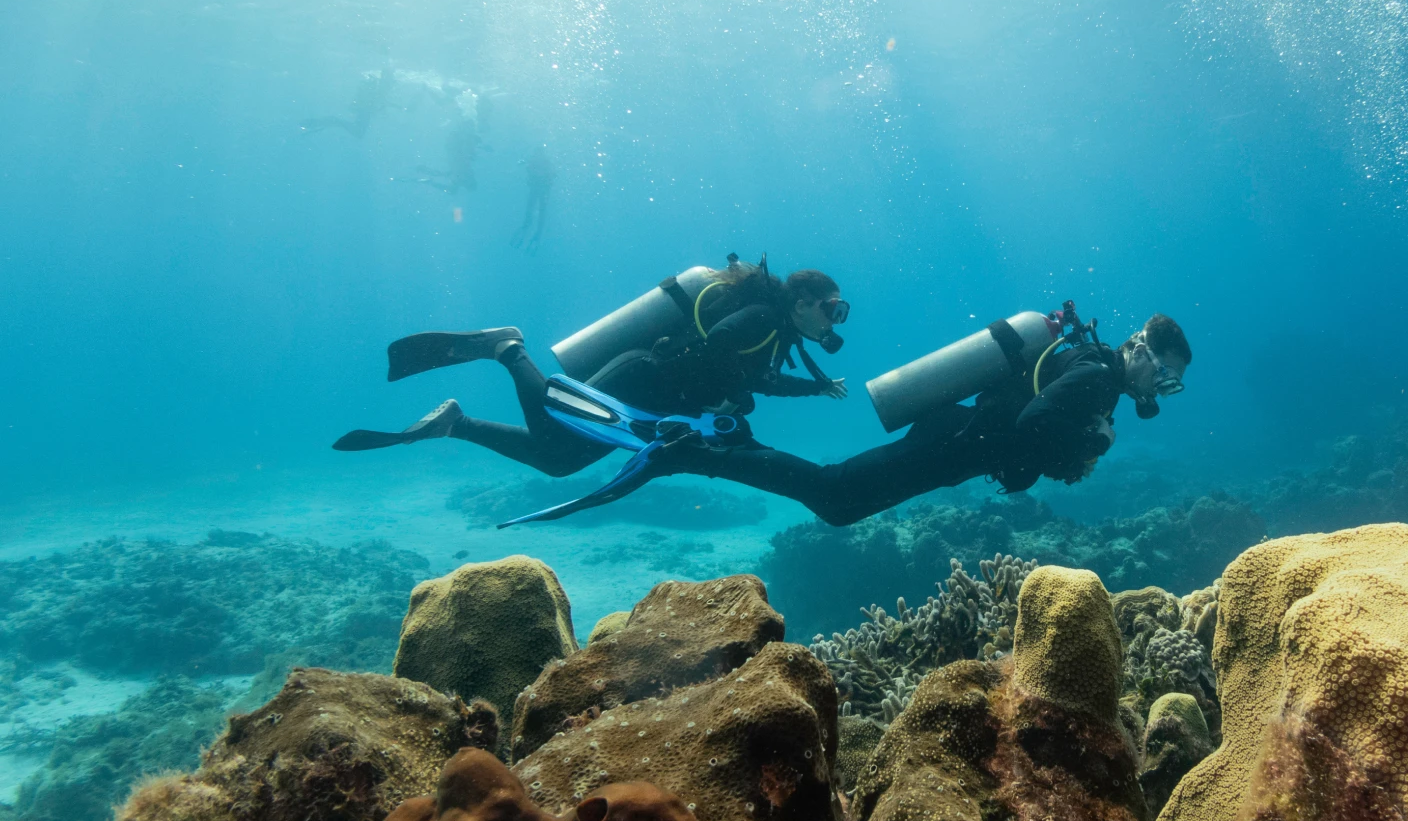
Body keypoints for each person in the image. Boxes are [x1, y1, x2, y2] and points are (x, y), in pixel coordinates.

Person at [332, 259, 851, 481]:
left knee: (558, 461)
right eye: (832, 307)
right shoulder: (764, 318)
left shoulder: (775, 334)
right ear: (802, 301)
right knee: (551, 432)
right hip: (640, 380)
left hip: (649, 404)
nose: (834, 318)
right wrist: (732, 392)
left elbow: (759, 378)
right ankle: (507, 348)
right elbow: (720, 344)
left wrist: (815, 388)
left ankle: (456, 424)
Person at [651, 313, 1192, 525]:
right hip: (955, 442)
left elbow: (1042, 429)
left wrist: (1079, 445)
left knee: (840, 507)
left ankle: (729, 443)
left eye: (1172, 385)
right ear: (1140, 351)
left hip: (958, 444)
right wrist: (1094, 445)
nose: (1161, 390)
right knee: (833, 492)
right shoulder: (1097, 375)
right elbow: (1034, 423)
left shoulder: (1096, 373)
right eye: (1165, 375)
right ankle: (695, 452)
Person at [300, 66, 397, 139]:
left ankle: (328, 122)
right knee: (358, 133)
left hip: (364, 108)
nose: (393, 79)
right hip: (365, 109)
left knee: (358, 132)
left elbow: (379, 99)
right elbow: (379, 98)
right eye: (391, 74)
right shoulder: (382, 83)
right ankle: (331, 121)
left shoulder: (380, 83)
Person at [509, 145, 555, 251]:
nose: (538, 155)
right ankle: (533, 229)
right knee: (537, 210)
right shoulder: (539, 161)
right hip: (539, 190)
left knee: (535, 209)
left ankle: (530, 227)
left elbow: (551, 175)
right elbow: (553, 175)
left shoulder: (540, 161)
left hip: (539, 189)